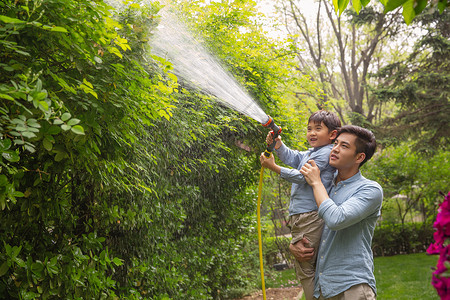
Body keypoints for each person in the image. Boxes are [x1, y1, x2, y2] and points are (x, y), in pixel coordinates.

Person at [260, 110, 341, 300]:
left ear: (332, 135)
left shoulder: (326, 153)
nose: (311, 133)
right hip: (301, 216)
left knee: (306, 266)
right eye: (309, 129)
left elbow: (303, 177)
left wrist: (274, 168)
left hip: (310, 215)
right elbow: (294, 158)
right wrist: (279, 146)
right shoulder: (312, 152)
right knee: (306, 266)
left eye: (318, 129)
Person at [296, 125, 383, 299]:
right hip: (322, 288)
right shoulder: (327, 187)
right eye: (335, 143)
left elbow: (336, 219)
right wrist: (296, 244)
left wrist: (316, 182)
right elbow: (312, 223)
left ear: (359, 157)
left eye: (344, 146)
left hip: (352, 287)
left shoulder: (370, 190)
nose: (334, 149)